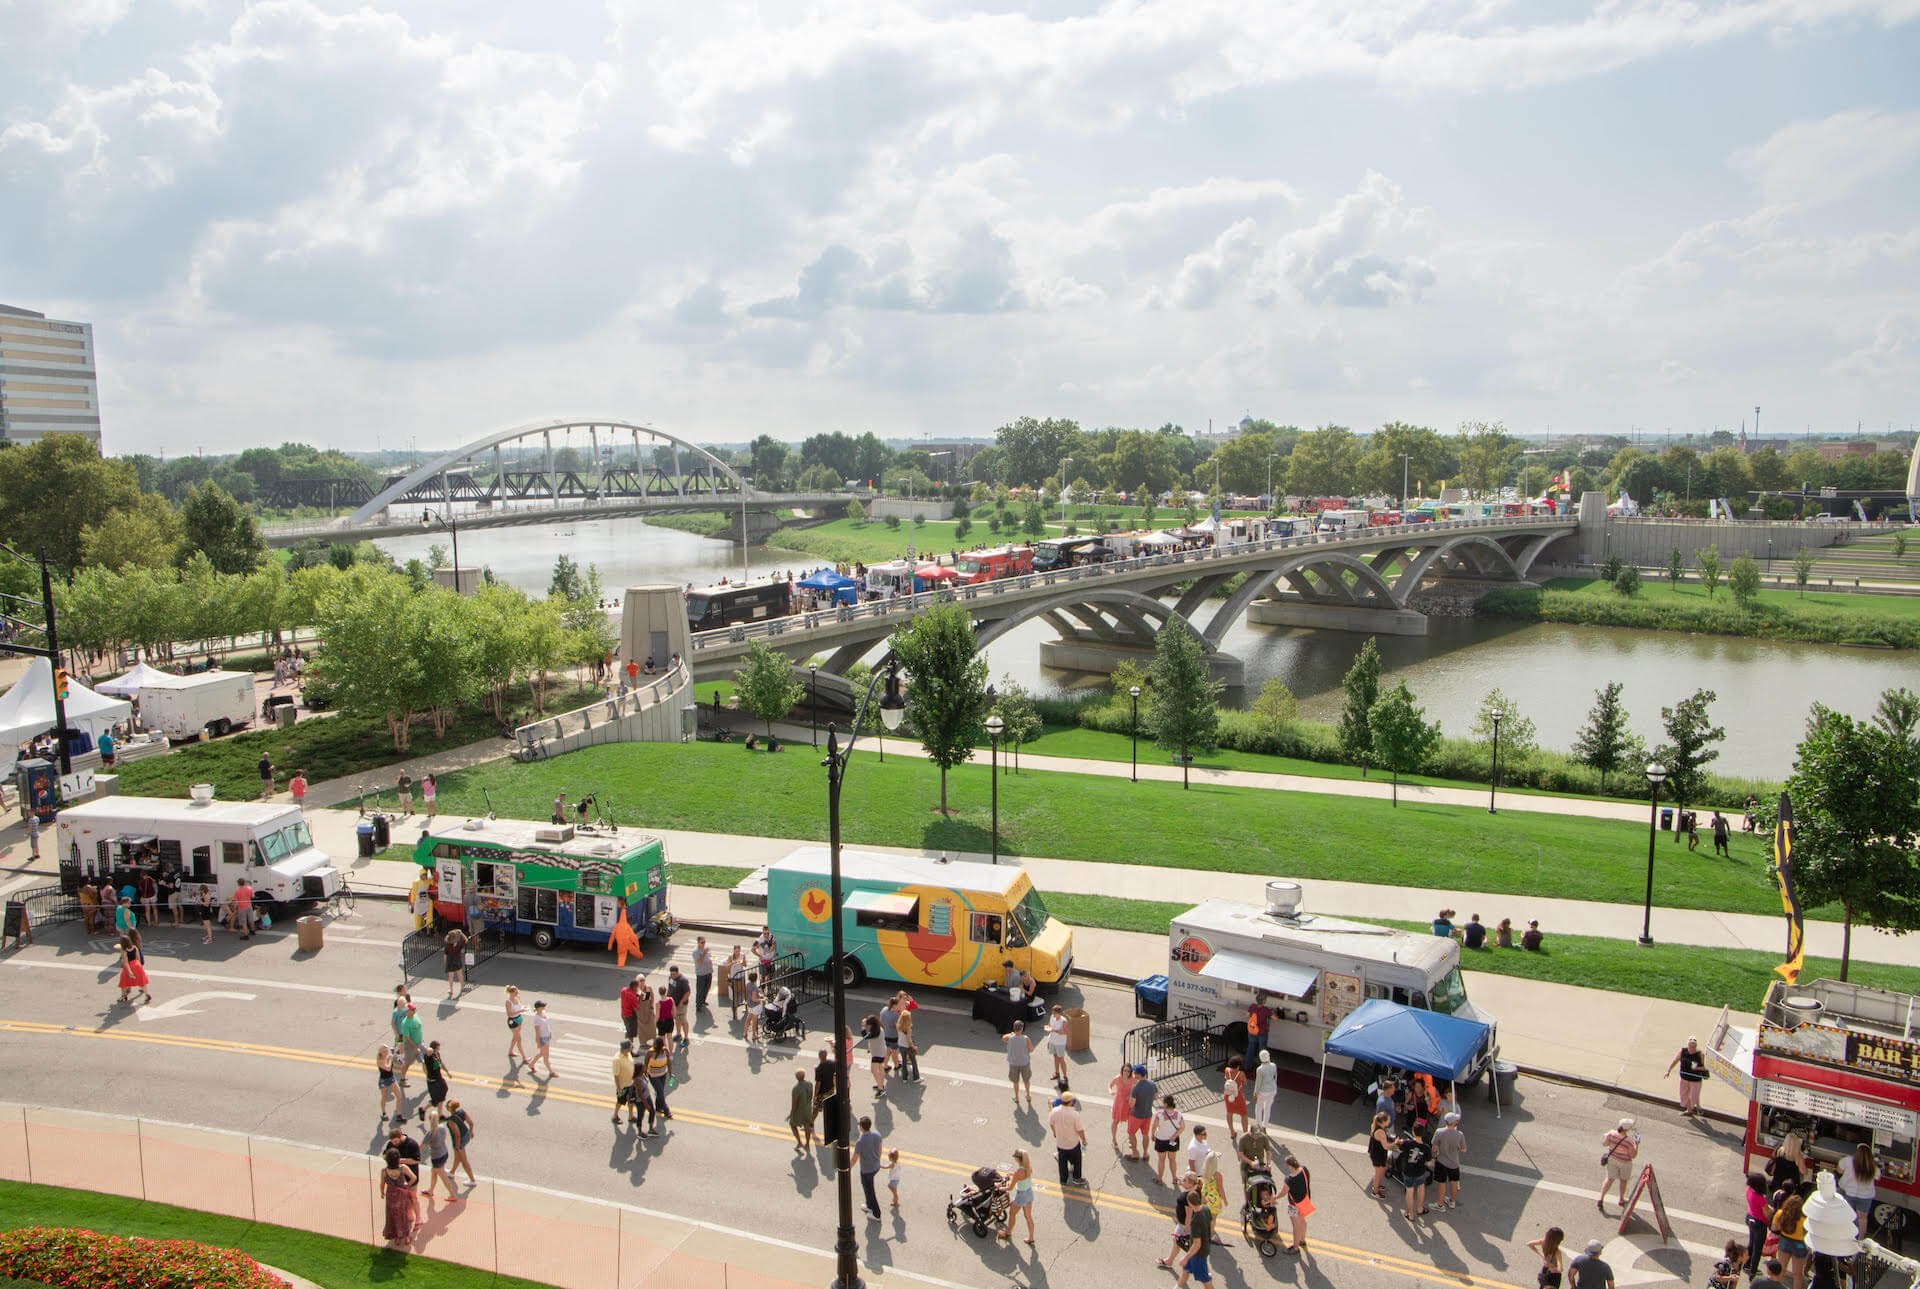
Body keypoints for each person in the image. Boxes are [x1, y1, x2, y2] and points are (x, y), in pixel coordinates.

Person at [1158, 1172, 1201, 1270]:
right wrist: (1182, 1182)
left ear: (1190, 1184)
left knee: (1178, 1241)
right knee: (1182, 1243)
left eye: (1184, 1180)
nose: (1182, 1181)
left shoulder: (1187, 1197)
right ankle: (1170, 1260)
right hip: (1191, 1223)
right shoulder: (1196, 1190)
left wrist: (1186, 1228)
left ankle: (1169, 1261)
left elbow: (1189, 1214)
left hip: (1184, 1224)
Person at [1177, 1179, 1216, 1289]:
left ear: (1189, 1203)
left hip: (1198, 1254)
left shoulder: (1195, 1221)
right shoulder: (1205, 1208)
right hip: (1204, 1248)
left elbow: (1197, 1244)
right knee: (1186, 1270)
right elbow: (1211, 1224)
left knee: (1205, 1279)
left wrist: (1186, 1257)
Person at [1599, 1118, 1639, 1212]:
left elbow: (1605, 1143)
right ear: (1627, 1129)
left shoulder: (1611, 1134)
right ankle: (1621, 1199)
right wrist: (1637, 1145)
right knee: (1623, 1180)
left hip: (1612, 1159)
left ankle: (1601, 1198)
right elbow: (1633, 1155)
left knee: (1609, 1179)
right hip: (1625, 1163)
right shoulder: (1629, 1141)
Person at [379, 1149, 418, 1246]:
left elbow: (382, 1184)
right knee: (404, 1215)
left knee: (392, 1216)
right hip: (402, 1195)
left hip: (390, 1195)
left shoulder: (384, 1171)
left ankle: (397, 1236)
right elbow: (414, 1178)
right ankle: (407, 1236)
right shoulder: (403, 1168)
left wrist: (382, 1193)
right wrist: (407, 1185)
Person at [1772, 1191, 1809, 1289]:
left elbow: (1774, 1228)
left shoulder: (1780, 1214)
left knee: (1782, 1269)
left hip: (1785, 1241)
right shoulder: (1804, 1220)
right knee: (1797, 1274)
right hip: (1799, 1245)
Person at [421, 1108, 459, 1202]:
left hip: (436, 1157)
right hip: (444, 1153)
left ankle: (452, 1194)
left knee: (443, 1176)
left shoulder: (429, 1133)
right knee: (434, 1172)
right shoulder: (442, 1128)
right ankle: (431, 1190)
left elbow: (421, 1147)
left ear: (430, 1120)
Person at [1839, 1145, 1878, 1235]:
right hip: (1866, 1196)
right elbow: (1877, 1176)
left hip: (1849, 1192)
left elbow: (1839, 1170)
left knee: (1846, 1215)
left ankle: (1845, 1235)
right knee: (1863, 1218)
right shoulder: (1873, 1166)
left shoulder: (1848, 1160)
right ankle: (1860, 1239)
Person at [1049, 1091, 1087, 1185]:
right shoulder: (1074, 1114)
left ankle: (1063, 1180)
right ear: (1070, 1102)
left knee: (1062, 1163)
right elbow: (1080, 1130)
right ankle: (1076, 1178)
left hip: (1061, 1143)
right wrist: (1084, 1140)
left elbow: (1051, 1123)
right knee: (1077, 1161)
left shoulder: (1055, 1111)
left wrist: (1054, 1132)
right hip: (1073, 1143)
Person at [1000, 1148, 1036, 1244]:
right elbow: (1021, 1176)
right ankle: (1031, 1238)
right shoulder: (1028, 1167)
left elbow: (1010, 1188)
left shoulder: (1018, 1173)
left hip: (1021, 1195)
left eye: (1015, 1157)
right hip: (1029, 1193)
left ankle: (1008, 1233)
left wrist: (1000, 1188)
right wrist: (1013, 1174)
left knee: (1012, 1214)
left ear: (1018, 1159)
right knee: (1028, 1217)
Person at [1432, 1112, 1467, 1210]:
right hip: (1454, 1162)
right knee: (1454, 1182)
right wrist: (1458, 1147)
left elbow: (1434, 1147)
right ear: (1454, 1123)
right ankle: (1452, 1201)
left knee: (1441, 1183)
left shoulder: (1439, 1132)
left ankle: (1440, 1204)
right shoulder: (1460, 1134)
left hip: (1441, 1161)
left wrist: (1434, 1156)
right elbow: (1464, 1149)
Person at [1666, 1036, 1708, 1116]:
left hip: (1695, 1079)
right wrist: (1669, 1070)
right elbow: (1675, 1060)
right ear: (1688, 1045)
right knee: (1684, 1094)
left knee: (1693, 1096)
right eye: (1690, 1046)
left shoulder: (1700, 1054)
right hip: (1684, 1077)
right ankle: (1689, 1110)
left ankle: (1697, 1107)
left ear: (1696, 1046)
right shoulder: (1682, 1051)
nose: (1692, 1048)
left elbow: (1704, 1068)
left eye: (1694, 1046)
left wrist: (1697, 1068)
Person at [1394, 1130, 1431, 1219]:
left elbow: (1398, 1150)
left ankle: (1410, 1214)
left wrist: (1397, 1142)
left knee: (1409, 1191)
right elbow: (1429, 1163)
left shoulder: (1407, 1143)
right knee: (1421, 1188)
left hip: (1408, 1171)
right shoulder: (1426, 1147)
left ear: (1413, 1132)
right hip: (1420, 1172)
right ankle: (1420, 1209)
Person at [1151, 1093, 1185, 1186]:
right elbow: (1182, 1127)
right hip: (1173, 1140)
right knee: (1172, 1159)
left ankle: (1160, 1178)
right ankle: (1174, 1178)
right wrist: (1174, 1136)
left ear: (1165, 1104)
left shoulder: (1160, 1115)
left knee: (1161, 1160)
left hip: (1161, 1140)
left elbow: (1154, 1126)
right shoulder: (1178, 1114)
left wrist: (1152, 1135)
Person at [855, 1116, 884, 1221]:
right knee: (866, 1187)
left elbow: (854, 1159)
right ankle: (869, 1206)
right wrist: (877, 1160)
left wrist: (846, 1168)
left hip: (866, 1170)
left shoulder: (860, 1141)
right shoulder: (877, 1135)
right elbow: (880, 1149)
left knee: (869, 1190)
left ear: (861, 1127)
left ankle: (876, 1214)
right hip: (875, 1166)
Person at [1003, 1021, 1038, 1108]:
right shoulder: (1026, 1038)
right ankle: (1028, 1095)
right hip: (1024, 1062)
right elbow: (1031, 1049)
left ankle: (1017, 1097)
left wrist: (1011, 1033)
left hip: (1013, 1063)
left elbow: (1004, 1037)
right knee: (1026, 1080)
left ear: (1014, 1028)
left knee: (1015, 1081)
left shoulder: (1010, 1038)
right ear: (1021, 1029)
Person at [1281, 1154, 1311, 1255]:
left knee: (1295, 1226)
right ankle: (1302, 1240)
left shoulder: (1289, 1179)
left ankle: (1295, 1247)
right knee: (1303, 1221)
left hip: (1294, 1204)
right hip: (1305, 1200)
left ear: (1289, 1166)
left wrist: (1274, 1197)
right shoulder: (1304, 1170)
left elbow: (1283, 1192)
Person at [1127, 1065, 1157, 1159]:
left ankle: (1135, 1153)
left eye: (1135, 1073)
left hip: (1136, 1115)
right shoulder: (1152, 1084)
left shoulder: (1136, 1087)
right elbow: (1156, 1097)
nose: (1133, 1074)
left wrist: (1129, 1099)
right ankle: (1145, 1153)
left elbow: (1131, 1104)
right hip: (1148, 1114)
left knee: (1131, 1134)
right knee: (1145, 1134)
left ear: (1138, 1075)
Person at [444, 1100, 476, 1187]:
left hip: (459, 1141)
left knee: (463, 1161)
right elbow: (471, 1123)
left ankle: (472, 1180)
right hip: (466, 1135)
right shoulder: (462, 1112)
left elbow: (457, 1135)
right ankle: (452, 1172)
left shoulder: (451, 1121)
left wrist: (457, 1147)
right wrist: (471, 1132)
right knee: (457, 1157)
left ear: (449, 1108)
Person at [115, 935, 151, 1006]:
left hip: (130, 966)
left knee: (124, 981)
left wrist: (129, 971)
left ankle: (124, 996)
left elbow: (125, 962)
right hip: (137, 965)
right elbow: (138, 958)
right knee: (141, 981)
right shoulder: (134, 947)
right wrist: (139, 966)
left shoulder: (124, 950)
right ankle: (147, 994)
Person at [1365, 1111, 1394, 1198]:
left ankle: (1377, 1185)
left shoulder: (1379, 1127)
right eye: (1388, 1119)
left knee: (1383, 1169)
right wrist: (1394, 1144)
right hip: (1378, 1155)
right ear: (1383, 1121)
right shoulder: (1380, 1132)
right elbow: (1385, 1146)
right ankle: (1375, 1191)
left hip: (1378, 1153)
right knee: (1379, 1173)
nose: (1390, 1121)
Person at [1109, 1064, 1137, 1153]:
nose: (1126, 1073)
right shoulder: (1118, 1078)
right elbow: (1110, 1085)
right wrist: (1111, 1091)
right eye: (1125, 1070)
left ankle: (1130, 1138)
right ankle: (1114, 1139)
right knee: (1115, 1121)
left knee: (1131, 1122)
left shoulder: (1133, 1079)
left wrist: (1132, 1095)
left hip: (1128, 1104)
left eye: (1128, 1071)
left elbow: (1138, 1088)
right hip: (1119, 1103)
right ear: (1122, 1070)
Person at [645, 1037, 673, 1122]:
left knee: (659, 1091)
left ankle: (658, 1107)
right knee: (660, 1092)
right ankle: (666, 1110)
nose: (653, 1045)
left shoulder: (665, 1051)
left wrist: (670, 1072)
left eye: (655, 1044)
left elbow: (668, 1062)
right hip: (653, 1075)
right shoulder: (650, 1052)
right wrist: (644, 1073)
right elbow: (646, 1063)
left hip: (662, 1074)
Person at [1220, 1057, 1248, 1139]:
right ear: (1238, 1066)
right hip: (1237, 1095)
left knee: (1229, 1113)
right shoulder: (1241, 1074)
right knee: (1244, 1114)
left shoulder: (1227, 1070)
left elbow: (1227, 1078)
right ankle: (1245, 1133)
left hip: (1228, 1095)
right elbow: (1245, 1083)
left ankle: (1232, 1132)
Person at [787, 1070, 815, 1151]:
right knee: (807, 1126)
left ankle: (799, 1142)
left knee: (792, 1125)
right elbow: (811, 1095)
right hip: (808, 1108)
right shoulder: (809, 1084)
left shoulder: (796, 1088)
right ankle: (807, 1144)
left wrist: (791, 1114)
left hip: (799, 1110)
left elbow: (795, 1103)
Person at [422, 1039, 451, 1113]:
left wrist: (447, 1072)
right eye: (438, 1048)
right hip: (432, 1081)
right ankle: (423, 1110)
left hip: (438, 1078)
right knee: (436, 1101)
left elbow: (441, 1063)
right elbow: (428, 1050)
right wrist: (431, 1050)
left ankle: (440, 1115)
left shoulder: (437, 1054)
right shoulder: (428, 1056)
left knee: (443, 1092)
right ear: (434, 1048)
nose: (439, 1050)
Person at [612, 1042, 637, 1128]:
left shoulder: (628, 1054)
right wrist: (619, 1088)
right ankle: (615, 1116)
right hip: (623, 1086)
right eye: (630, 1048)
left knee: (632, 1101)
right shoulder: (617, 1060)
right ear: (625, 1049)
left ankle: (631, 1116)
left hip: (631, 1083)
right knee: (620, 1101)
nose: (631, 1049)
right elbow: (616, 1075)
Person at [667, 966, 692, 1047]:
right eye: (671, 974)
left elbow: (687, 992)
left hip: (681, 1004)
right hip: (673, 1003)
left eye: (674, 974)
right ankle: (678, 1034)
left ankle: (686, 1038)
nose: (673, 976)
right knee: (677, 1019)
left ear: (678, 972)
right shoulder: (671, 978)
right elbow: (670, 988)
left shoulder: (683, 981)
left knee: (683, 1020)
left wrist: (681, 1002)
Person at [1045, 1005, 1071, 1085]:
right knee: (1055, 1057)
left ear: (1059, 1013)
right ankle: (1056, 1073)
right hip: (1052, 1040)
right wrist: (1047, 1027)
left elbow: (1065, 1032)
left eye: (1055, 1013)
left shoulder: (1063, 1021)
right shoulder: (1052, 1017)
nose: (1053, 1014)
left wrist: (1054, 1030)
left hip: (1060, 1043)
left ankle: (1065, 1076)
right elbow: (1049, 1025)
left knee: (1061, 1059)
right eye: (1053, 1013)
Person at [1244, 995, 1271, 1071]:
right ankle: (1263, 1068)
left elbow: (1247, 1015)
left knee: (1250, 1048)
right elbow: (1275, 1018)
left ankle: (1247, 1066)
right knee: (1262, 1050)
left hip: (1252, 1030)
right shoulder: (1266, 1010)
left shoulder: (1252, 1006)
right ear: (1263, 1001)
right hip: (1262, 1032)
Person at [864, 1014, 889, 1095]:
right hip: (880, 1051)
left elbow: (866, 1036)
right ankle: (880, 1084)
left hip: (877, 1053)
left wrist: (863, 1027)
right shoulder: (878, 1029)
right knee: (880, 1068)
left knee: (874, 1070)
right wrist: (869, 1048)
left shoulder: (876, 1031)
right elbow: (872, 1040)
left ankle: (880, 1088)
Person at [1252, 1047, 1277, 1126]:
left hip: (1262, 1091)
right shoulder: (1273, 1066)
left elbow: (1258, 1083)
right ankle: (1264, 1126)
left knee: (1259, 1109)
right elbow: (1275, 1077)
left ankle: (1258, 1125)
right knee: (1267, 1109)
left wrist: (1255, 1094)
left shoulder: (1260, 1069)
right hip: (1272, 1090)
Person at [530, 1001, 556, 1078]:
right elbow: (537, 1032)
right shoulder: (537, 1018)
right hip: (542, 1038)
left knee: (542, 1053)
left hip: (547, 1036)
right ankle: (551, 1072)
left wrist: (550, 1032)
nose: (544, 1007)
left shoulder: (544, 1013)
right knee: (546, 1056)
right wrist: (538, 1042)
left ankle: (531, 1064)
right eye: (542, 1006)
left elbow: (547, 1024)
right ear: (538, 1008)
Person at [505, 985, 529, 1066]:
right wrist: (520, 1010)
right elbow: (509, 1014)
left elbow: (518, 1007)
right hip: (513, 1021)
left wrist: (523, 1008)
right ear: (511, 993)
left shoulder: (517, 998)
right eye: (516, 992)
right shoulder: (508, 1002)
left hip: (519, 1018)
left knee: (515, 1037)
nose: (517, 994)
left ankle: (510, 1051)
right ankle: (524, 1057)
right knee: (519, 1039)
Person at [443, 927, 468, 998]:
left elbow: (445, 955)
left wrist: (445, 963)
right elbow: (466, 940)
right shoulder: (459, 944)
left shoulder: (448, 945)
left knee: (451, 977)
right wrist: (461, 933)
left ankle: (451, 990)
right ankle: (462, 987)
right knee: (460, 975)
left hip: (450, 961)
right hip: (457, 960)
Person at [377, 1042, 399, 1122]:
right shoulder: (380, 1060)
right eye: (384, 1051)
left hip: (391, 1078)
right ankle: (384, 1113)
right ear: (380, 1053)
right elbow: (388, 1068)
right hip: (384, 1081)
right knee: (384, 1097)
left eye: (387, 1051)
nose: (386, 1053)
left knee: (399, 1095)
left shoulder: (388, 1057)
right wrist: (389, 1059)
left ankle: (398, 1113)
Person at [619, 976, 642, 1046]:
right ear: (635, 987)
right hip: (630, 1016)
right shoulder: (633, 997)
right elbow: (636, 1009)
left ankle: (627, 1044)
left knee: (628, 1031)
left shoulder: (623, 990)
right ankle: (630, 1049)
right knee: (631, 1034)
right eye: (638, 987)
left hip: (624, 1014)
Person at [692, 935, 713, 1011]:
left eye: (704, 942)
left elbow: (709, 957)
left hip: (708, 971)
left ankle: (703, 1000)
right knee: (700, 990)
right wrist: (704, 953)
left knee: (707, 988)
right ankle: (698, 1005)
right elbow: (699, 961)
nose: (704, 944)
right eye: (702, 942)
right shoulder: (696, 952)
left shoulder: (705, 949)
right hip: (701, 973)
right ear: (698, 943)